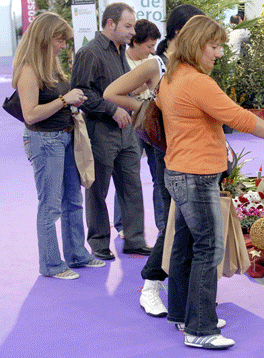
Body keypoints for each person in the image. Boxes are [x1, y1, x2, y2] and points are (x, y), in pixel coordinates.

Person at [155, 15, 264, 349]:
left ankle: (183, 314)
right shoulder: (197, 82)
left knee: (185, 245)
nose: (218, 53)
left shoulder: (172, 77)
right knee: (208, 248)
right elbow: (240, 118)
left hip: (178, 172)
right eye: (214, 46)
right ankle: (200, 328)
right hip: (196, 176)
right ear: (198, 44)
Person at [104, 4, 204, 317]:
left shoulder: (196, 64)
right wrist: (148, 109)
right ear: (180, 32)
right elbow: (112, 92)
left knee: (187, 219)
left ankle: (181, 287)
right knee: (174, 217)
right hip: (167, 151)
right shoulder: (156, 65)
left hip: (194, 151)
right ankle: (151, 284)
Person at [13, 12, 105, 279]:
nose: (63, 45)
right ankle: (51, 264)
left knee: (73, 200)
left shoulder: (50, 66)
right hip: (45, 141)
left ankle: (77, 254)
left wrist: (70, 101)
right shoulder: (29, 70)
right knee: (51, 205)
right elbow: (30, 114)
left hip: (64, 137)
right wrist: (65, 100)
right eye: (60, 39)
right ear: (45, 38)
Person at [71, 2, 152, 261]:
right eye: (128, 26)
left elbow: (120, 88)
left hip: (126, 131)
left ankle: (135, 239)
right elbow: (81, 93)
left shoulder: (119, 52)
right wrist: (111, 109)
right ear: (110, 24)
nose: (132, 32)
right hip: (101, 131)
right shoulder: (89, 53)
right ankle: (98, 242)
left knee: (132, 185)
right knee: (97, 190)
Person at [113, 19, 162, 242]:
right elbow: (118, 92)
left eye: (154, 46)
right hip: (130, 122)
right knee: (127, 174)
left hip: (152, 121)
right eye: (149, 46)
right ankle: (122, 224)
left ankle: (162, 223)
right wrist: (140, 86)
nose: (152, 51)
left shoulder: (153, 61)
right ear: (135, 42)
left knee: (159, 174)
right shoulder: (121, 61)